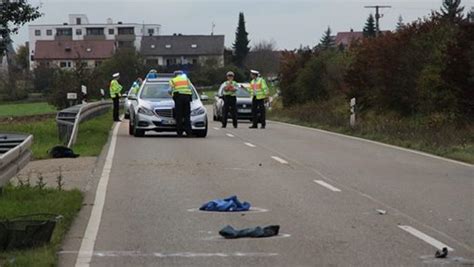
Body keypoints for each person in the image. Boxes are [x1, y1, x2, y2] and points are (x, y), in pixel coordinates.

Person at [169, 70, 193, 137]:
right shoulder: (186, 79)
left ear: (175, 75)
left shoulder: (173, 80)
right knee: (187, 116)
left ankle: (180, 133)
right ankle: (189, 133)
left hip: (178, 98)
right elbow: (190, 88)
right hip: (187, 98)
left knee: (179, 116)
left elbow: (170, 90)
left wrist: (170, 93)